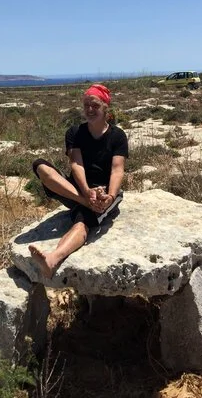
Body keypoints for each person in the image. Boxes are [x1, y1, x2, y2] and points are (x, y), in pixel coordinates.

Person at [27, 84, 129, 274]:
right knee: (40, 165)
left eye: (95, 105)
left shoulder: (117, 136)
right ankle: (84, 203)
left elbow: (117, 170)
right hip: (77, 190)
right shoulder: (75, 132)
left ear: (105, 107)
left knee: (82, 222)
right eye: (86, 105)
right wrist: (86, 193)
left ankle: (52, 259)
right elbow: (76, 164)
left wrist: (110, 196)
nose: (90, 109)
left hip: (103, 193)